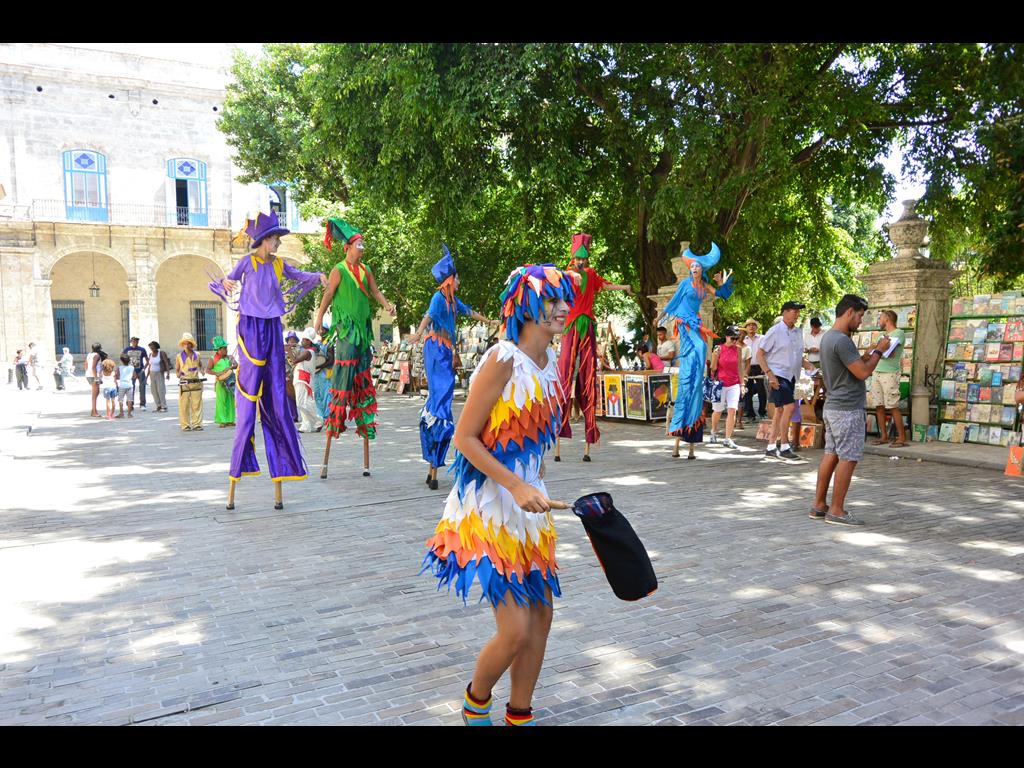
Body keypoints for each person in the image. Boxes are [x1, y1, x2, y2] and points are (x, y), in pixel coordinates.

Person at [421, 263, 577, 727]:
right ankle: (475, 701)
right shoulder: (502, 358)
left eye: (563, 300)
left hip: (529, 506)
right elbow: (464, 438)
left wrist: (534, 477)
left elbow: (528, 435)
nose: (562, 308)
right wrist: (515, 484)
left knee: (542, 618)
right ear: (526, 307)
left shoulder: (549, 364)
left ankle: (520, 714)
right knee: (515, 630)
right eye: (551, 300)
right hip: (488, 506)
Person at [210, 211, 325, 493]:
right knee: (250, 389)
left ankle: (284, 462)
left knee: (275, 391)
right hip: (250, 326)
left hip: (272, 325)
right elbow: (227, 280)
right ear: (264, 240)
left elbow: (299, 275)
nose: (278, 244)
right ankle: (242, 458)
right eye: (275, 239)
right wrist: (225, 283)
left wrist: (318, 277)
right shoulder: (247, 262)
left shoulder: (279, 264)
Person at [411, 245, 496, 489]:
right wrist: (418, 333)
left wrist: (489, 320)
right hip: (436, 350)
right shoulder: (438, 298)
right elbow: (428, 316)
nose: (459, 282)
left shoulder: (452, 301)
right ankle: (434, 454)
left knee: (444, 403)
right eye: (457, 278)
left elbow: (469, 311)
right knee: (439, 401)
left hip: (446, 351)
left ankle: (434, 461)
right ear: (449, 280)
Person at [315, 218, 396, 444]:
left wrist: (387, 305)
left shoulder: (365, 269)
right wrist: (319, 318)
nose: (362, 247)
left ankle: (364, 418)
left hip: (363, 331)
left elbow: (375, 291)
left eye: (362, 244)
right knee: (345, 368)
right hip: (346, 329)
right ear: (348, 247)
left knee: (362, 370)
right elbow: (328, 294)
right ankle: (336, 418)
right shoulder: (338, 269)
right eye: (359, 244)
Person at [812, 293, 891, 526]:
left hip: (834, 406)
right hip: (847, 408)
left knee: (832, 454)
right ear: (849, 312)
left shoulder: (829, 337)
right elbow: (863, 373)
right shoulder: (842, 340)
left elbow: (851, 366)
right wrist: (879, 351)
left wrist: (868, 354)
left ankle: (819, 505)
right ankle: (837, 510)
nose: (860, 321)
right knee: (848, 458)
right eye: (860, 316)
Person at [557, 233, 634, 461]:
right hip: (571, 327)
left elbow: (606, 285)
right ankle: (560, 423)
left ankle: (589, 430)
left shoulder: (591, 275)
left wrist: (624, 286)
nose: (581, 262)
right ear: (573, 258)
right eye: (578, 259)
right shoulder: (566, 275)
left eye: (584, 259)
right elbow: (555, 280)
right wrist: (570, 274)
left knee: (588, 376)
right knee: (564, 372)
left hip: (587, 327)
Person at [656, 242, 734, 460]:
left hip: (696, 324)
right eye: (692, 267)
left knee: (700, 353)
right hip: (685, 324)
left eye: (697, 267)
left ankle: (697, 377)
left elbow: (722, 294)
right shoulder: (685, 284)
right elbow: (672, 303)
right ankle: (691, 374)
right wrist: (658, 318)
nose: (694, 269)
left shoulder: (704, 286)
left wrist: (722, 283)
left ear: (702, 270)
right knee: (696, 349)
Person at [757, 302, 816, 460]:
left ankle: (771, 446)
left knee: (780, 411)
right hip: (778, 374)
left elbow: (796, 356)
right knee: (789, 407)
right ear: (785, 312)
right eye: (794, 311)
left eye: (798, 311)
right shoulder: (775, 331)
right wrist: (770, 375)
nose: (797, 314)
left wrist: (807, 364)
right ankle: (784, 446)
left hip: (792, 376)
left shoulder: (798, 332)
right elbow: (760, 354)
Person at [868, 309, 908, 448]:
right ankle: (883, 436)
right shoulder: (881, 335)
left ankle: (901, 437)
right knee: (878, 404)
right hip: (877, 371)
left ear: (887, 319)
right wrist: (878, 348)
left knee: (892, 405)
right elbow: (874, 351)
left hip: (889, 372)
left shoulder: (898, 333)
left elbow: (890, 353)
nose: (879, 321)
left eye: (880, 318)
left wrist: (878, 349)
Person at [708, 326, 744, 448]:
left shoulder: (738, 349)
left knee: (732, 410)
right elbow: (713, 368)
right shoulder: (719, 348)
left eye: (737, 338)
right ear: (727, 337)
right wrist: (715, 356)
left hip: (734, 383)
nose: (735, 341)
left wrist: (742, 384)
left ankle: (728, 438)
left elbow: (740, 367)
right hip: (720, 383)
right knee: (718, 410)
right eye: (733, 338)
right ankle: (713, 431)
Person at [293, 329, 323, 433]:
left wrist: (288, 350)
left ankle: (318, 420)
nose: (301, 342)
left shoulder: (308, 352)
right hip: (302, 378)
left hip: (304, 379)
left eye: (304, 340)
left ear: (309, 341)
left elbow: (295, 360)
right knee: (305, 402)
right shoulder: (308, 351)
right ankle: (306, 425)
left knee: (302, 403)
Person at [175, 332, 205, 431]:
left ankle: (197, 424)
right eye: (185, 343)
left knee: (197, 404)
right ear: (183, 344)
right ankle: (185, 425)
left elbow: (200, 365)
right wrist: (179, 374)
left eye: (189, 343)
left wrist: (202, 370)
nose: (187, 345)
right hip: (185, 382)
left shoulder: (197, 355)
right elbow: (177, 370)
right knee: (184, 405)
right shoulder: (179, 356)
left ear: (192, 344)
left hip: (196, 382)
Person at [208, 336, 237, 428]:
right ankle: (222, 421)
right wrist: (218, 373)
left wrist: (230, 367)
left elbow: (236, 365)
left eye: (226, 348)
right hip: (220, 383)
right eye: (224, 348)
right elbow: (207, 370)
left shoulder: (230, 357)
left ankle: (230, 420)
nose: (226, 350)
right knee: (221, 401)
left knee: (230, 401)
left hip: (230, 382)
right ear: (219, 350)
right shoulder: (212, 358)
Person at [742, 318, 767, 422]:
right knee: (747, 390)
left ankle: (762, 412)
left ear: (756, 327)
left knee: (762, 390)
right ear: (746, 328)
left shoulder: (762, 338)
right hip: (747, 367)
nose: (751, 327)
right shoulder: (743, 339)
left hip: (759, 366)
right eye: (749, 325)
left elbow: (766, 352)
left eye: (753, 325)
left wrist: (765, 366)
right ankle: (750, 414)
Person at [122, 336, 150, 411]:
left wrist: (144, 369)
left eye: (136, 341)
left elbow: (147, 360)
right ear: (131, 342)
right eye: (133, 341)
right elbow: (122, 358)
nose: (135, 342)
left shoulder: (142, 349)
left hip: (140, 370)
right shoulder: (127, 349)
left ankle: (142, 404)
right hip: (130, 371)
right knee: (131, 388)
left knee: (142, 388)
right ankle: (130, 404)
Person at [146, 341, 172, 412]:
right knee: (154, 391)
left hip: (159, 373)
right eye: (150, 348)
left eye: (153, 347)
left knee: (161, 390)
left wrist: (168, 374)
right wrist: (147, 376)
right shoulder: (150, 354)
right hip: (152, 374)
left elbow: (166, 363)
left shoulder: (161, 353)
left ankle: (164, 406)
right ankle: (158, 405)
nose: (152, 349)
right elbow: (150, 365)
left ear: (156, 347)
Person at [116, 354, 136, 418]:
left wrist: (121, 377)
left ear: (121, 361)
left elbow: (117, 376)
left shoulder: (119, 368)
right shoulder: (132, 367)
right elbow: (134, 376)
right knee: (130, 400)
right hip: (129, 385)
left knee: (120, 400)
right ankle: (129, 414)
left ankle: (121, 413)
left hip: (122, 385)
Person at [85, 343, 103, 416]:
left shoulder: (89, 355)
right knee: (95, 395)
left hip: (89, 375)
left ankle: (93, 411)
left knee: (96, 393)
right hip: (94, 376)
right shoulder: (97, 355)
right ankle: (94, 412)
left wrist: (87, 373)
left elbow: (86, 365)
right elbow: (93, 367)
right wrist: (96, 378)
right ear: (99, 349)